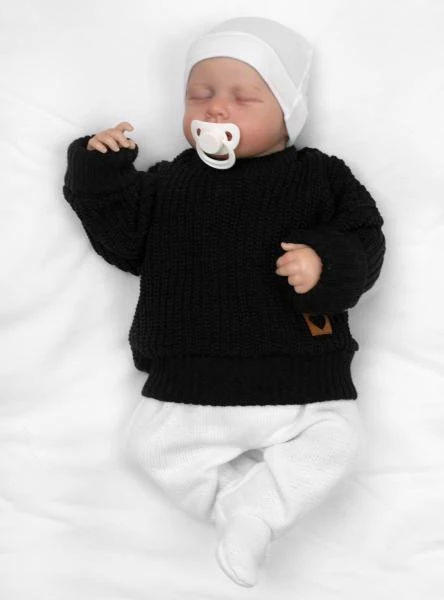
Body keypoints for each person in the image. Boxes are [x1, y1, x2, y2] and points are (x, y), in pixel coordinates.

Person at [63, 16, 385, 588]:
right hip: (189, 379)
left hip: (301, 373)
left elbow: (366, 237)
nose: (215, 109)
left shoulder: (319, 177)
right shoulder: (168, 184)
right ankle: (248, 513)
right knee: (149, 446)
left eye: (243, 97)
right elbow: (122, 241)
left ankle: (251, 513)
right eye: (200, 95)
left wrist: (325, 263)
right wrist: (99, 169)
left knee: (340, 441)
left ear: (287, 112)